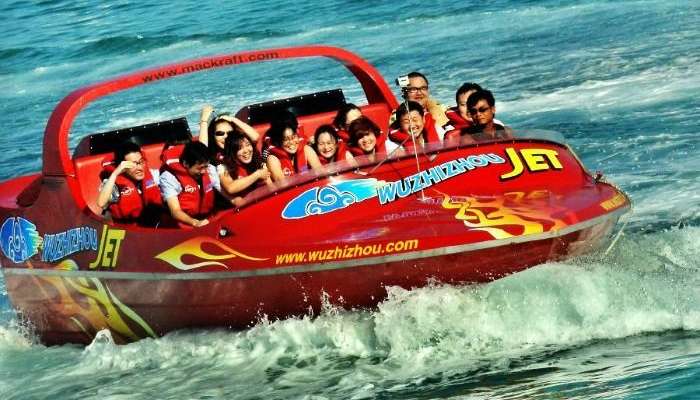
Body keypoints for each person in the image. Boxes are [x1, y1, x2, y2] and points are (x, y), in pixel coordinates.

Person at [96, 142, 164, 226]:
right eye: (132, 164)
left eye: (140, 162)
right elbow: (101, 203)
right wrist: (115, 173)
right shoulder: (112, 185)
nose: (139, 168)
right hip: (129, 233)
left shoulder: (153, 175)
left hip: (156, 228)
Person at [159, 141, 223, 228]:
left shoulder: (209, 169)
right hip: (184, 224)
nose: (204, 171)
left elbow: (223, 191)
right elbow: (175, 211)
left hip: (207, 219)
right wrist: (195, 223)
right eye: (200, 168)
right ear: (186, 164)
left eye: (206, 166)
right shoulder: (168, 177)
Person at [220, 131, 272, 204]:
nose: (246, 151)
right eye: (240, 148)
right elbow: (231, 188)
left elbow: (271, 187)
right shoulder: (223, 167)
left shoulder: (258, 161)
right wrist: (257, 175)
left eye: (248, 145)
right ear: (232, 152)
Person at [393, 71, 449, 138]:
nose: (419, 93)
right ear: (404, 93)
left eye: (423, 88)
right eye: (413, 89)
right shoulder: (395, 120)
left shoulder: (445, 111)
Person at [265, 118, 322, 183]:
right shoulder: (273, 160)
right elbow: (283, 186)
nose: (291, 142)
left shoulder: (307, 150)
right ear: (278, 141)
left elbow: (321, 174)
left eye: (293, 137)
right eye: (286, 139)